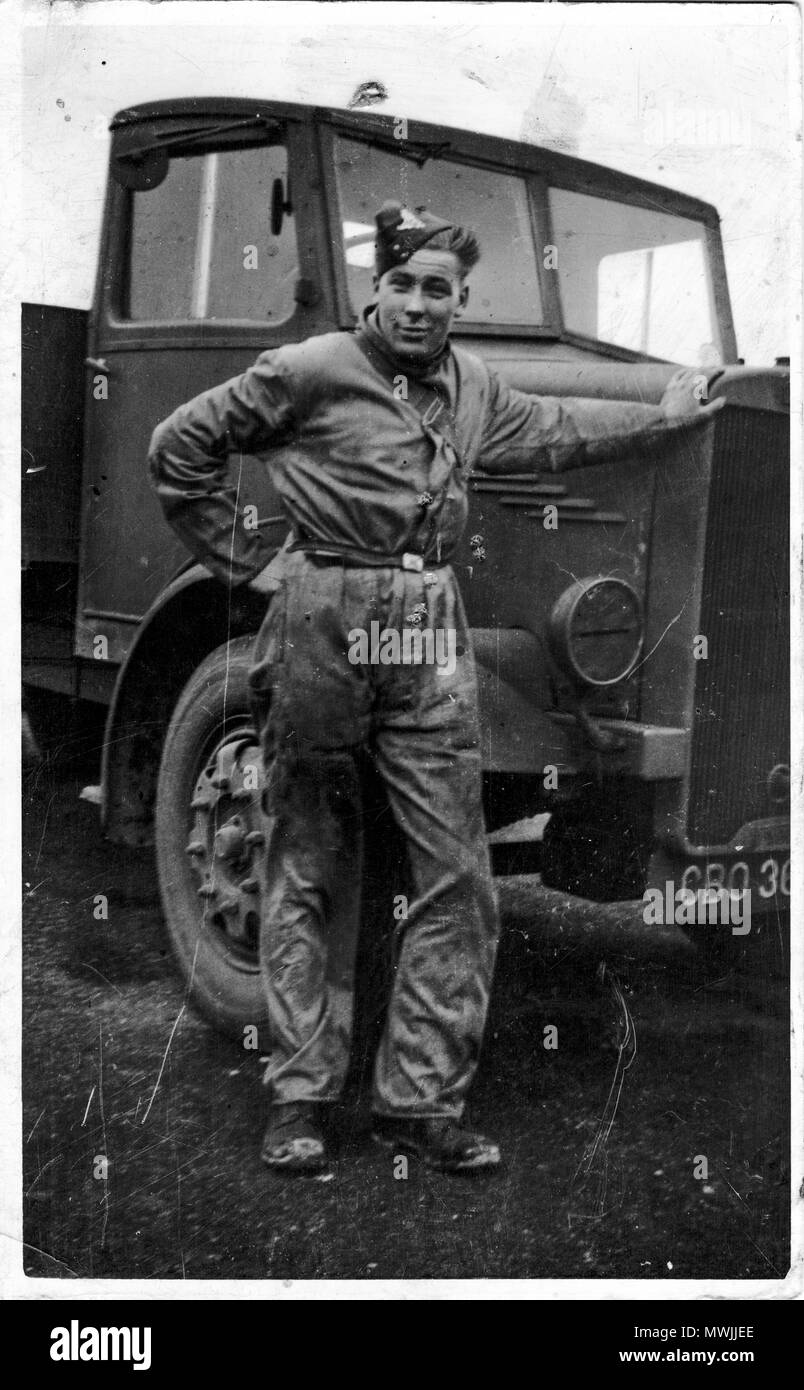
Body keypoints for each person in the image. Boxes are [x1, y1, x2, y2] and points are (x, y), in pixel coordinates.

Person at [149, 199, 711, 1174]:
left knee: (459, 876)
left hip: (429, 628)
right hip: (325, 616)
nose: (417, 304)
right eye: (402, 283)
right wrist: (253, 563)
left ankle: (420, 1103)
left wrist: (663, 415)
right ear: (380, 285)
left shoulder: (475, 386)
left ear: (460, 299)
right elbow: (179, 447)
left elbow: (562, 428)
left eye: (438, 289)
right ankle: (300, 1097)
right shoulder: (313, 370)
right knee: (306, 864)